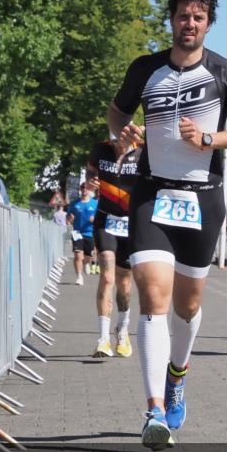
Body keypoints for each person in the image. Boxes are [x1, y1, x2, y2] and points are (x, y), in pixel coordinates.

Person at [108, 0, 227, 450]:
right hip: (152, 193)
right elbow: (117, 113)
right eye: (182, 16)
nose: (189, 24)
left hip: (203, 198)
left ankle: (177, 375)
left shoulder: (225, 72)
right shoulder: (145, 69)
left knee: (188, 305)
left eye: (198, 17)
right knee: (153, 296)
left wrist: (210, 139)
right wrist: (122, 134)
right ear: (172, 19)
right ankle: (154, 411)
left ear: (208, 23)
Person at [88, 134, 143, 358]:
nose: (117, 145)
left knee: (124, 283)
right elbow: (90, 171)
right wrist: (91, 182)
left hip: (131, 223)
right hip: (105, 220)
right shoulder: (100, 149)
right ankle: (103, 340)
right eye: (114, 141)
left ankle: (122, 329)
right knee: (107, 277)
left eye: (122, 141)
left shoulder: (143, 152)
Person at [67, 181, 98, 286]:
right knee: (78, 255)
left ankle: (85, 263)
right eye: (82, 187)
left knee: (88, 257)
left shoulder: (95, 203)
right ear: (80, 189)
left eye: (86, 188)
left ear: (90, 190)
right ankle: (79, 276)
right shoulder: (74, 203)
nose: (84, 189)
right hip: (77, 232)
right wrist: (70, 218)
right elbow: (68, 217)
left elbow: (101, 218)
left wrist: (95, 219)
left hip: (89, 233)